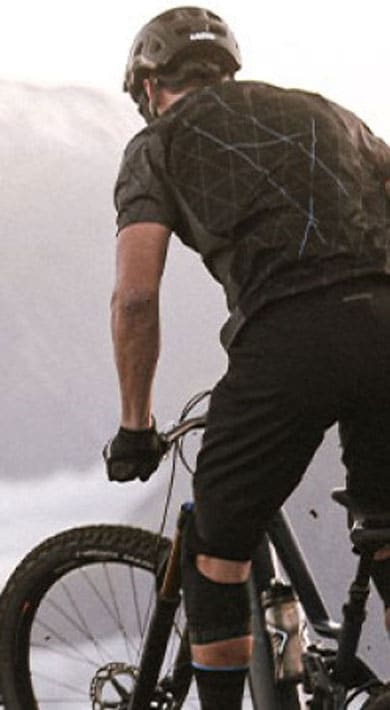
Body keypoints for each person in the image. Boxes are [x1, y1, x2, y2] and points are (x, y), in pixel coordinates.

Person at [103, 7, 390, 708]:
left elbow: (135, 299)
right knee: (386, 526)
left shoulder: (157, 145)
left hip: (292, 335)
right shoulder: (330, 113)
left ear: (147, 85)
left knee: (216, 545)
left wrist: (136, 426)